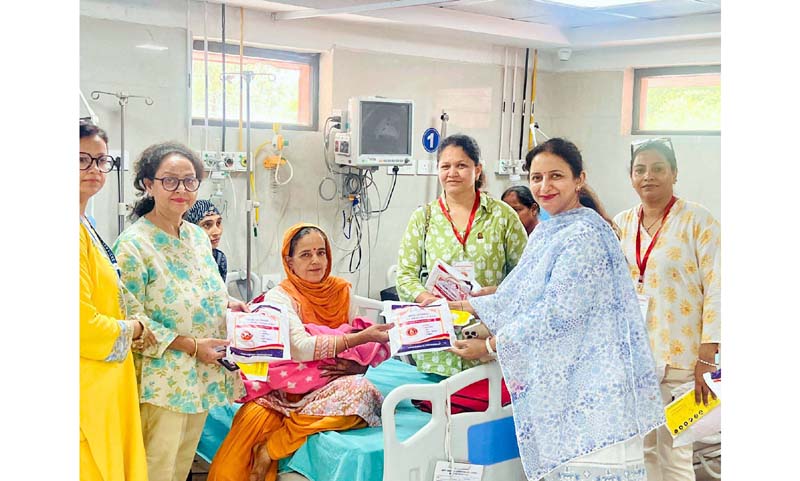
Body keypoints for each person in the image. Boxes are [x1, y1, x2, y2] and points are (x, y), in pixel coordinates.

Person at [447, 138, 664, 481]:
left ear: (579, 179)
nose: (544, 186)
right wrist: (464, 305)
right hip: (566, 383)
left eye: (556, 176)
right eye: (536, 177)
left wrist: (489, 346)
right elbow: (519, 293)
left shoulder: (585, 235)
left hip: (594, 389)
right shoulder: (549, 230)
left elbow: (557, 313)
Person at [208, 223, 393, 481]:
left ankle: (271, 448)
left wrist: (358, 366)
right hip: (280, 392)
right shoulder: (279, 298)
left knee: (366, 396)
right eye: (306, 255)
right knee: (233, 465)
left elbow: (358, 347)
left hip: (328, 386)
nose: (315, 261)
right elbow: (301, 348)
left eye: (321, 252)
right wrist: (362, 337)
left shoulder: (342, 291)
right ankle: (277, 437)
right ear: (290, 262)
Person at [112, 142, 246, 481]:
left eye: (189, 181)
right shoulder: (133, 245)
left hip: (201, 372)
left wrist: (229, 304)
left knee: (181, 467)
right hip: (162, 379)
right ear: (148, 184)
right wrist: (191, 346)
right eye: (170, 180)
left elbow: (208, 288)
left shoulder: (198, 238)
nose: (181, 190)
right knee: (154, 469)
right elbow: (131, 318)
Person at [614, 137, 721, 481]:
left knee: (675, 453)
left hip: (683, 359)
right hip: (637, 359)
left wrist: (708, 357)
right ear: (631, 177)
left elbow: (720, 287)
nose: (648, 176)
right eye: (640, 170)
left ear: (674, 173)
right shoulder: (622, 224)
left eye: (658, 168)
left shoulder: (698, 221)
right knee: (644, 450)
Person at [396, 133, 528, 377]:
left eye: (461, 165)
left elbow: (526, 276)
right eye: (445, 166)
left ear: (477, 170)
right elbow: (405, 276)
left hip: (488, 340)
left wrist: (497, 293)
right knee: (436, 398)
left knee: (485, 399)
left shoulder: (503, 216)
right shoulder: (424, 218)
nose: (452, 173)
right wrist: (429, 300)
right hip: (438, 342)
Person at [79, 120, 154, 481]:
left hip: (104, 380)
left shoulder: (85, 224)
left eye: (101, 161)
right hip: (86, 380)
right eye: (81, 159)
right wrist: (134, 328)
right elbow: (80, 325)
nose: (94, 169)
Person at [185, 199, 228, 281]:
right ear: (191, 227)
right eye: (207, 225)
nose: (217, 232)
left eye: (218, 223)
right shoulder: (181, 259)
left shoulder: (218, 258)